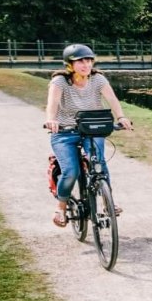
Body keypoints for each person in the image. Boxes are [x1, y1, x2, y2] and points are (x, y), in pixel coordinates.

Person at [43, 45, 132, 227]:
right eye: (81, 61)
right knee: (71, 171)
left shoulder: (97, 79)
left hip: (91, 129)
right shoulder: (60, 81)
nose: (86, 64)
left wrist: (121, 116)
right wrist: (51, 120)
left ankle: (108, 203)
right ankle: (61, 207)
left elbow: (112, 99)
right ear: (70, 64)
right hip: (64, 133)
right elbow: (52, 103)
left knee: (99, 164)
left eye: (89, 60)